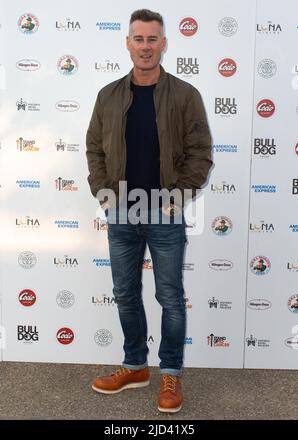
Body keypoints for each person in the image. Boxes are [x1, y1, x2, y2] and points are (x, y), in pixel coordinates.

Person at [86, 9, 212, 413]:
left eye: (152, 39)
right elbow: (94, 148)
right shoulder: (108, 95)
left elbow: (200, 153)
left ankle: (170, 371)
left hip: (164, 211)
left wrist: (177, 197)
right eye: (138, 39)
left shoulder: (185, 94)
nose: (145, 46)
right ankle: (135, 365)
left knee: (170, 296)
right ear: (127, 43)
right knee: (125, 294)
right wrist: (104, 193)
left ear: (164, 44)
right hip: (121, 211)